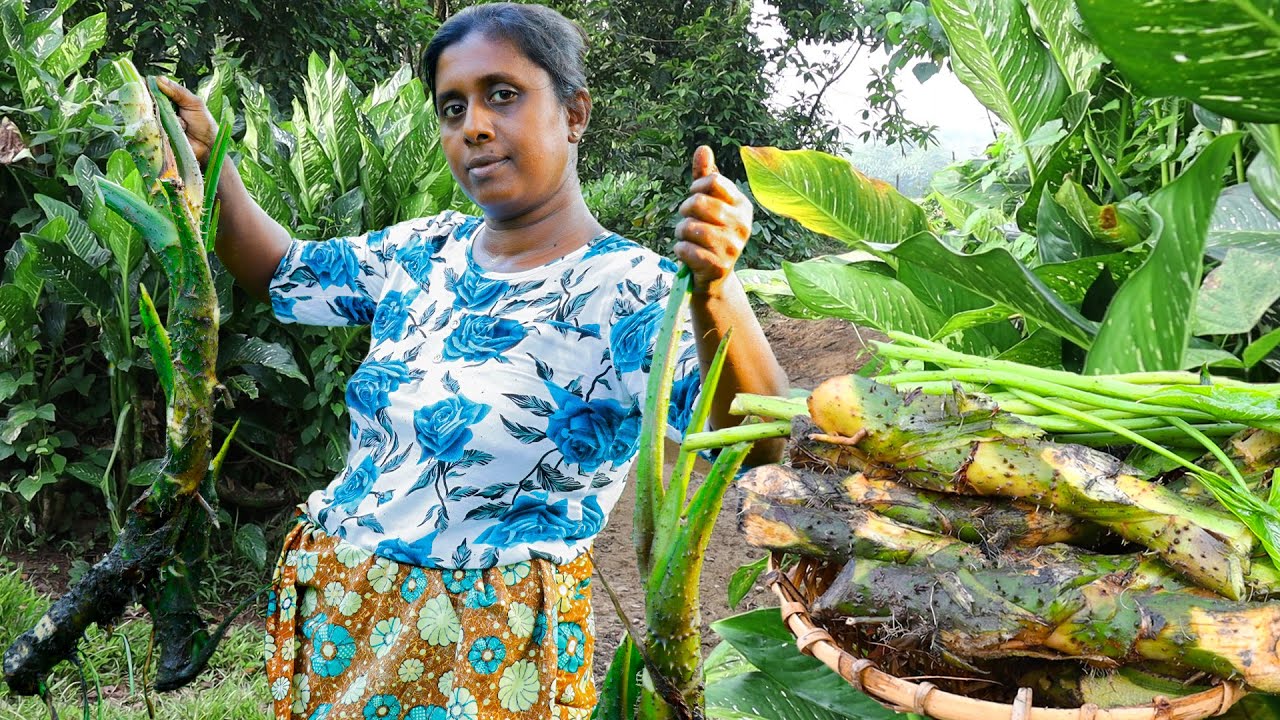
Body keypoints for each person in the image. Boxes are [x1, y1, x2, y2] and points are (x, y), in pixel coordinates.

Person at [158, 3, 787, 718]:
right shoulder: (424, 251)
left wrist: (717, 289)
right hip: (341, 611)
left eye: (503, 95)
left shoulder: (628, 291)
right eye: (452, 108)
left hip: (488, 650)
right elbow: (282, 272)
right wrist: (216, 162)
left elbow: (759, 440)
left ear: (575, 113)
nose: (475, 125)